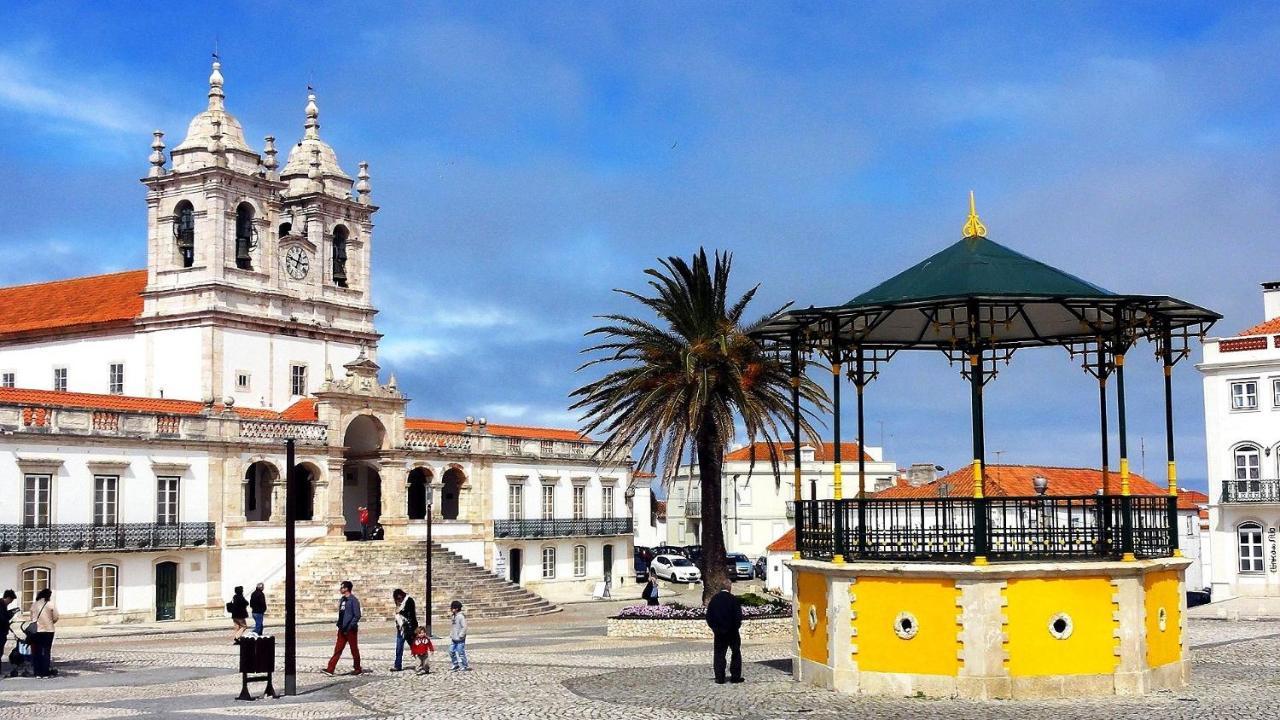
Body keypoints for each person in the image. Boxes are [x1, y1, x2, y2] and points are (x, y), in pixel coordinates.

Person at [322, 580, 362, 675]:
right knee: (338, 649)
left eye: (342, 587)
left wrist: (350, 625)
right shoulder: (342, 600)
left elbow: (357, 615)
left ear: (347, 588)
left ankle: (357, 668)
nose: (340, 589)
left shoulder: (354, 600)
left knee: (354, 649)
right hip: (341, 629)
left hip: (350, 630)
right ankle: (330, 669)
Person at [705, 588, 743, 684]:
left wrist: (714, 628)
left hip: (719, 632)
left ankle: (719, 677)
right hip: (733, 632)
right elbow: (738, 616)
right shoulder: (733, 599)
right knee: (736, 653)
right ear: (729, 588)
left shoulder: (714, 600)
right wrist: (735, 627)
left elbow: (709, 617)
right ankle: (735, 676)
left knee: (719, 654)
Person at [28, 588, 59, 678]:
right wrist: (50, 622)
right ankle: (45, 672)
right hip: (48, 630)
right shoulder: (50, 604)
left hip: (36, 630)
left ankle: (37, 672)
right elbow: (56, 617)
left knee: (36, 651)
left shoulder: (34, 605)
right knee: (46, 651)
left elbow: (31, 617)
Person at [391, 588, 418, 672]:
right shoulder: (399, 604)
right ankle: (397, 665)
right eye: (397, 598)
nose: (399, 599)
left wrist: (415, 628)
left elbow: (412, 615)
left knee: (414, 647)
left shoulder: (409, 601)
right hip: (401, 628)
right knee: (399, 647)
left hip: (409, 628)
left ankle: (421, 663)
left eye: (400, 598)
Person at [448, 600, 470, 671]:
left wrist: (461, 635)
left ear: (456, 608)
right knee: (451, 651)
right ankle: (455, 664)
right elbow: (453, 626)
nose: (451, 609)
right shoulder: (453, 616)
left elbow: (464, 627)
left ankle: (464, 665)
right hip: (454, 638)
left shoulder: (461, 617)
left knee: (461, 652)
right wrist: (451, 633)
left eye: (452, 608)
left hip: (460, 639)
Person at [0, 589, 16, 678]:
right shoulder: (1, 605)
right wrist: (10, 615)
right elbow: (2, 619)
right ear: (8, 598)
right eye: (11, 600)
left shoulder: (3, 605)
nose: (10, 602)